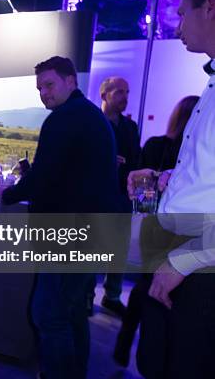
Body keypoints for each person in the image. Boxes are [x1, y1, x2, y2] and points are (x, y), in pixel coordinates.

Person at [2, 56, 121, 379]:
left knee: (48, 314)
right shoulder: (90, 116)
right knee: (71, 313)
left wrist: (4, 195)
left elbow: (43, 178)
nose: (44, 93)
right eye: (40, 88)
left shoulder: (64, 119)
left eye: (50, 84)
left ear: (72, 81)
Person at [127, 0, 215, 377]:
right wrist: (166, 179)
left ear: (210, 6)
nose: (177, 26)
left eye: (182, 13)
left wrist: (185, 261)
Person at [113, 95, 198, 368]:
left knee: (145, 287)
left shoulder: (155, 146)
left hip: (153, 230)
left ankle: (126, 347)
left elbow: (141, 197)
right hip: (184, 236)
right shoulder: (194, 158)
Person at [93, 76, 141, 317]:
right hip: (97, 196)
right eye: (119, 92)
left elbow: (137, 161)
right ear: (104, 95)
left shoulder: (130, 128)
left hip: (122, 196)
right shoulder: (92, 123)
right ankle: (86, 297)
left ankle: (112, 295)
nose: (125, 97)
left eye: (127, 92)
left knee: (118, 248)